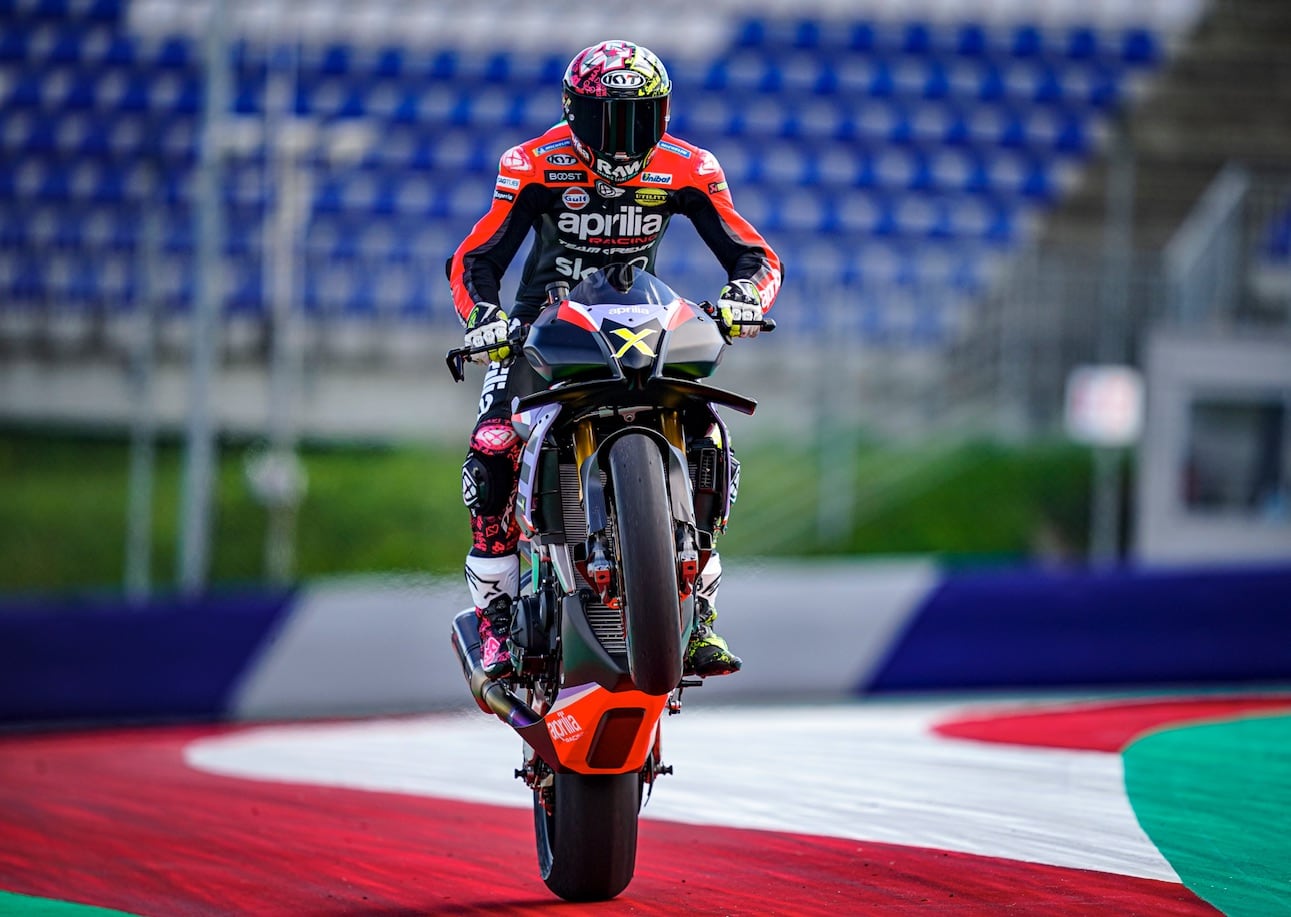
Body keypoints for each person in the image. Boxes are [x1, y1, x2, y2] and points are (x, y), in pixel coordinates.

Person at [447, 39, 782, 681]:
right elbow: (475, 259)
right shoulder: (532, 164)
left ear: (664, 114)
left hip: (641, 325)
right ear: (573, 112)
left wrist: (743, 299)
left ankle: (698, 603)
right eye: (608, 120)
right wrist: (484, 318)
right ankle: (494, 615)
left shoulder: (690, 167)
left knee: (709, 430)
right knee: (491, 448)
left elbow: (757, 257)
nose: (623, 141)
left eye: (639, 118)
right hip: (543, 332)